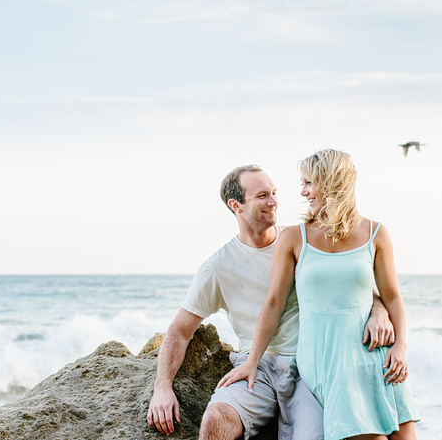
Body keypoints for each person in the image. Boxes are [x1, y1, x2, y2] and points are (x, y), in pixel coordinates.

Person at [149, 165, 396, 440]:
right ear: (236, 205)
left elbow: (352, 285)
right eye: (262, 195)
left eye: (274, 193)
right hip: (256, 368)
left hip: (309, 366)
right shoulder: (218, 267)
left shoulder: (303, 240)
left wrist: (378, 310)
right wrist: (162, 387)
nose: (274, 202)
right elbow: (181, 330)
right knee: (214, 421)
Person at [224, 149, 419, 440]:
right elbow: (275, 303)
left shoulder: (376, 233)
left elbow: (392, 297)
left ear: (331, 183)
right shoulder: (293, 237)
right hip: (329, 359)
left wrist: (400, 345)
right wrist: (252, 361)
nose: (302, 192)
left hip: (377, 356)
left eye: (308, 183)